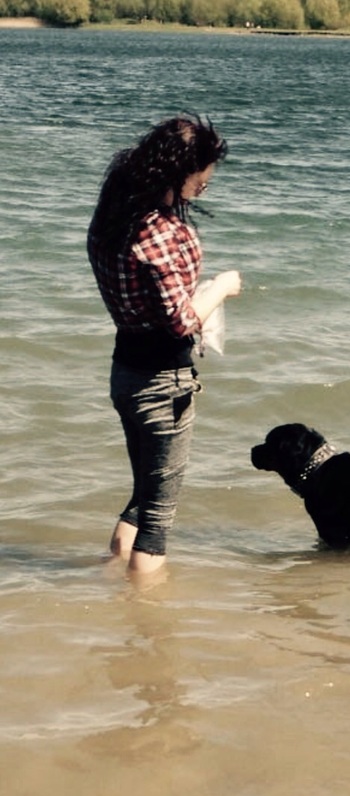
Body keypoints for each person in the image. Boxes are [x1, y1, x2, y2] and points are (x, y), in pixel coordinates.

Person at [87, 115, 241, 578]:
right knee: (157, 520)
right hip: (163, 384)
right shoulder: (159, 233)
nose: (202, 190)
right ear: (179, 173)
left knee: (143, 497)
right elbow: (180, 322)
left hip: (125, 374)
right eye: (201, 182)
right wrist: (221, 288)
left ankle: (112, 581)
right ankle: (145, 615)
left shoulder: (113, 220)